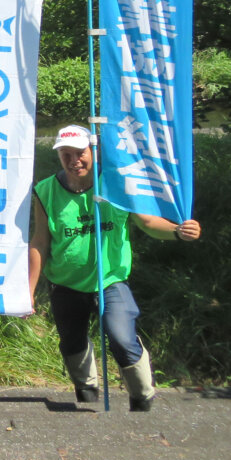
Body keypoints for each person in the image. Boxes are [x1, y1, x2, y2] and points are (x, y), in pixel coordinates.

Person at [28, 125, 201, 411]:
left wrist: (177, 231)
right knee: (73, 344)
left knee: (121, 338)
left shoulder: (118, 184)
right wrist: (29, 290)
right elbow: (40, 242)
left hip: (110, 280)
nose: (75, 161)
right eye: (66, 154)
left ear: (93, 151)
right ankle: (86, 390)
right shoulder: (45, 191)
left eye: (80, 153)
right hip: (65, 283)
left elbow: (147, 222)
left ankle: (142, 398)